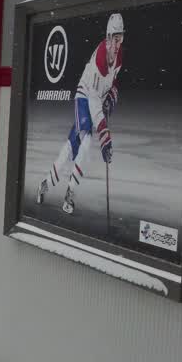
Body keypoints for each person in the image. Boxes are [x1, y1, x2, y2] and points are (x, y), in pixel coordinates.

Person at [37, 13, 124, 215]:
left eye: (121, 38)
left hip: (97, 99)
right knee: (85, 141)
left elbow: (114, 81)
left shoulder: (119, 56)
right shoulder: (100, 61)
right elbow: (94, 105)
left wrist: (112, 94)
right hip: (85, 97)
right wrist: (105, 138)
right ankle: (70, 192)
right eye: (114, 37)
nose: (117, 43)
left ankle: (45, 183)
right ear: (108, 37)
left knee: (71, 145)